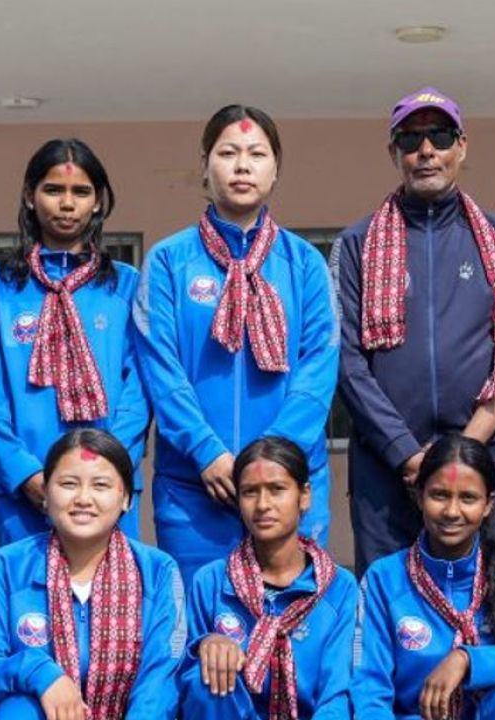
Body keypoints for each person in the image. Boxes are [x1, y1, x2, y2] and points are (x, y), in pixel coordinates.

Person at [334, 87, 495, 571]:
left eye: (440, 136)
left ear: (461, 146)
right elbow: (346, 360)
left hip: (479, 461)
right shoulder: (357, 243)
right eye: (411, 139)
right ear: (393, 152)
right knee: (389, 602)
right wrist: (408, 455)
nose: (426, 150)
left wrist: (463, 451)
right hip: (387, 468)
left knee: (486, 599)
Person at [135, 104, 337, 582]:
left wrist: (273, 462)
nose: (242, 166)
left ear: (276, 169)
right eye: (228, 153)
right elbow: (160, 368)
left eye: (256, 154)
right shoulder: (168, 262)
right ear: (205, 167)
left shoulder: (305, 264)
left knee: (291, 615)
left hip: (287, 486)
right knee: (203, 621)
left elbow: (319, 367)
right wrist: (207, 451)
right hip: (196, 487)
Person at [0, 429, 184, 719]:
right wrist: (36, 671)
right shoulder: (7, 566)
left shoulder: (158, 571)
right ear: (46, 495)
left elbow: (160, 681)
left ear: (126, 498)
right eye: (69, 484)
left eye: (100, 485)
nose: (83, 498)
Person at [0, 138, 148, 546]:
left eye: (81, 192)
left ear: (98, 201)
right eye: (54, 190)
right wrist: (23, 471)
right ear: (30, 195)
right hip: (21, 490)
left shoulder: (126, 285)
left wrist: (108, 469)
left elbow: (141, 387)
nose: (68, 203)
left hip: (108, 487)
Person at [352, 434, 495, 720]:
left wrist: (468, 660)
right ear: (419, 496)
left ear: (488, 504)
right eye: (439, 495)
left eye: (468, 498)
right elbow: (369, 688)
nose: (452, 511)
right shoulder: (384, 579)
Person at [180, 436, 358, 719]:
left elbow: (337, 692)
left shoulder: (339, 586)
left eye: (277, 489)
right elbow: (184, 682)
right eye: (250, 492)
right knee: (207, 671)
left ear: (304, 496)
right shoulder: (211, 582)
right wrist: (205, 644)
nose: (263, 504)